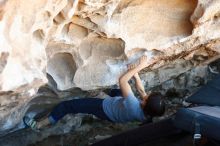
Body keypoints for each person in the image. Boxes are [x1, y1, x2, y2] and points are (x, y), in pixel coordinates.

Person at [23, 56, 165, 131]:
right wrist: (136, 73)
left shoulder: (133, 104)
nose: (148, 94)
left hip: (105, 109)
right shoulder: (147, 113)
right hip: (119, 109)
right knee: (117, 92)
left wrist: (138, 67)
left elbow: (122, 81)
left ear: (145, 103)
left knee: (68, 106)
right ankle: (105, 93)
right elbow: (141, 91)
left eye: (148, 98)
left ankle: (41, 125)